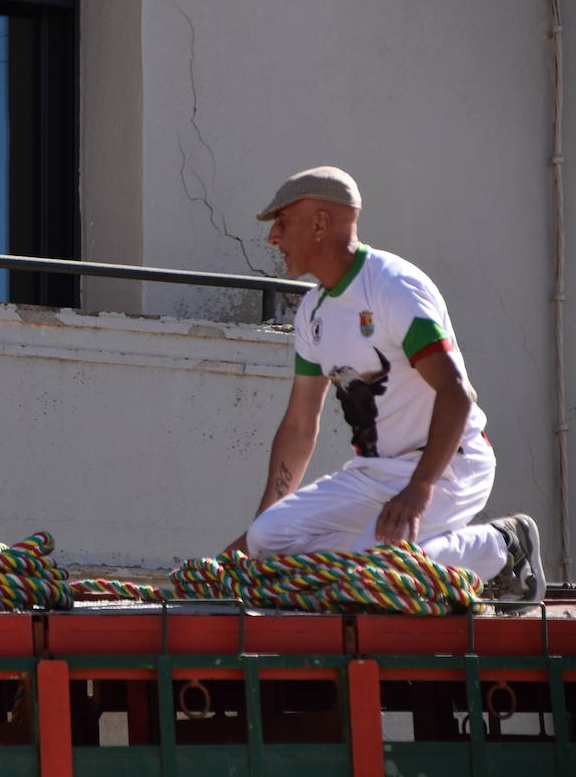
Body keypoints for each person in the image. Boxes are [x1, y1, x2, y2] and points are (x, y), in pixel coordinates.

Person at [223, 166, 545, 602]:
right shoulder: (312, 312)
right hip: (377, 472)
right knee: (268, 540)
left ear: (320, 223)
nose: (272, 237)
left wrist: (420, 489)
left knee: (367, 572)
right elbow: (300, 425)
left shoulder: (392, 286)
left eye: (282, 222)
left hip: (449, 465)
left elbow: (457, 394)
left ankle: (503, 546)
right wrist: (256, 540)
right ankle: (397, 554)